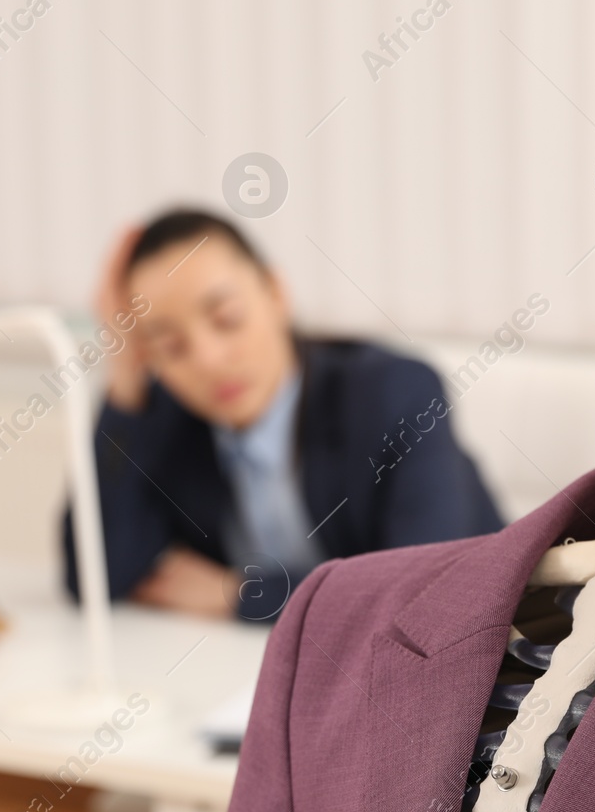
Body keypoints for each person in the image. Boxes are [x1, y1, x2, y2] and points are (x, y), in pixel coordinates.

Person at [61, 208, 503, 622]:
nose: (208, 360)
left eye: (227, 319)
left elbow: (417, 595)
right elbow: (96, 577)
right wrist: (123, 382)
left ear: (275, 293)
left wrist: (239, 594)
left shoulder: (395, 395)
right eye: (170, 346)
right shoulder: (168, 418)